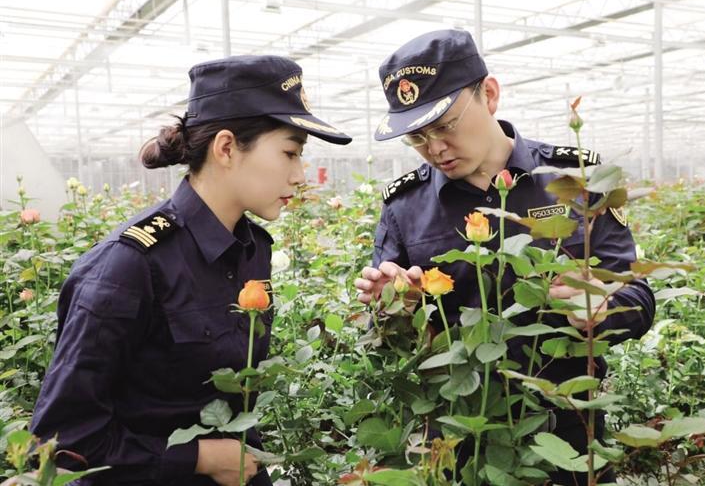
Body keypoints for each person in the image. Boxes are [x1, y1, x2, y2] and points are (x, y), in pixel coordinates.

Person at [28, 55, 351, 486]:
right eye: (290, 153)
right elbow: (59, 439)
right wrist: (196, 458)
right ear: (226, 148)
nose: (299, 175)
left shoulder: (253, 250)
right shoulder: (129, 266)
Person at [353, 29, 656, 485]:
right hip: (462, 437)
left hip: (567, 432)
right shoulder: (405, 207)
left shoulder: (576, 180)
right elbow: (386, 339)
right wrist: (396, 308)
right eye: (417, 137)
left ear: (490, 95)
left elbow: (638, 297)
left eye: (445, 126)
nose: (434, 149)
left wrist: (601, 306)